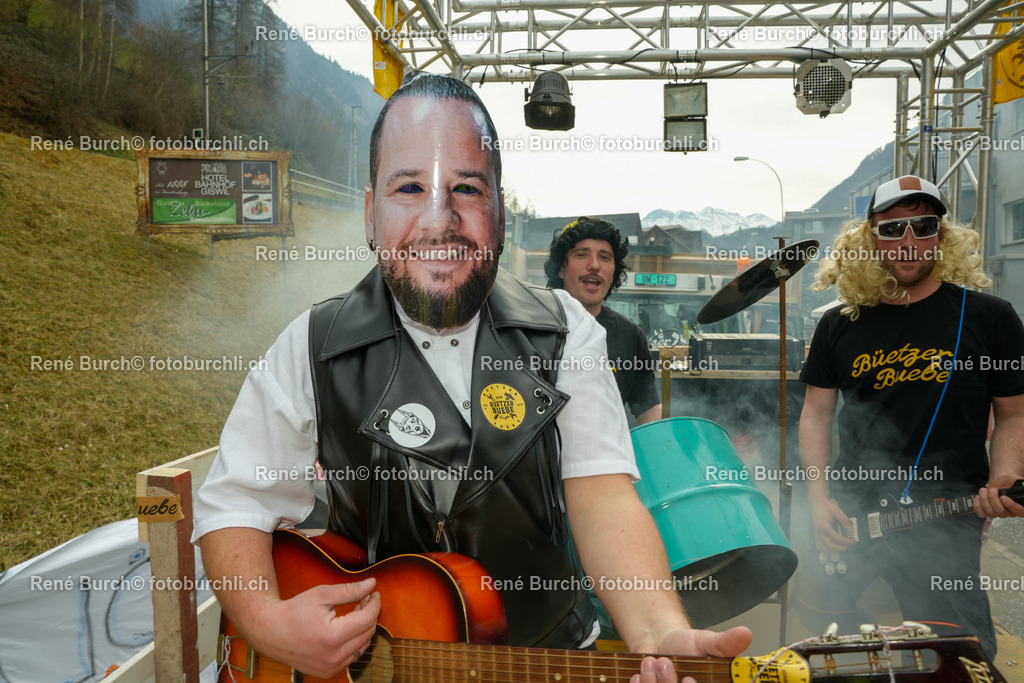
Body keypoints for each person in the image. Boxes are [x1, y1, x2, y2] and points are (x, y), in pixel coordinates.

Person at [192, 72, 750, 682]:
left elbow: (603, 498)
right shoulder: (310, 344)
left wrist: (657, 632)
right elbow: (237, 501)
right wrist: (266, 624)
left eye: (467, 188)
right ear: (371, 214)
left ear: (499, 214)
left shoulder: (564, 331)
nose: (440, 219)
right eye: (409, 187)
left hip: (547, 659)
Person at [798, 174, 1024, 659]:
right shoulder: (839, 323)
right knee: (829, 640)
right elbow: (815, 416)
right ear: (870, 238)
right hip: (851, 509)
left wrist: (1004, 475)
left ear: (942, 236)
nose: (908, 241)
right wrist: (818, 501)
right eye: (892, 228)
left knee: (957, 652)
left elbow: (1013, 414)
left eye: (923, 227)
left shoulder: (990, 318)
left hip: (946, 513)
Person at [545, 217, 663, 425]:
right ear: (561, 268)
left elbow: (648, 406)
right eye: (581, 254)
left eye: (605, 257)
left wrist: (657, 440)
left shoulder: (630, 334)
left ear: (614, 272)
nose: (594, 265)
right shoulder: (533, 325)